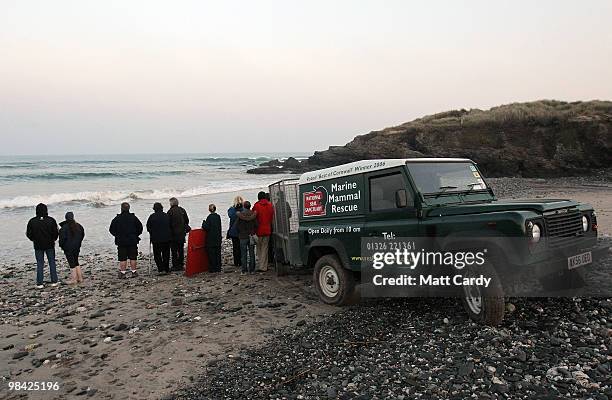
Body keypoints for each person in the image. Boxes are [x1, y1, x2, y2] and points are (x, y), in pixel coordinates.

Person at [26, 203, 59, 288]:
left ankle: (40, 283)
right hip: (50, 244)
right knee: (52, 262)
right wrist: (53, 239)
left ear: (36, 211)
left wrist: (33, 239)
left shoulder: (32, 221)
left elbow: (28, 234)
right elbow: (56, 232)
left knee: (40, 263)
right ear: (46, 210)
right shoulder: (51, 220)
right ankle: (54, 281)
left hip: (38, 245)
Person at [109, 202, 143, 279]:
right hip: (132, 240)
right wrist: (136, 235)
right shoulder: (134, 217)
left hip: (121, 241)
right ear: (129, 208)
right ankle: (134, 272)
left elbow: (111, 229)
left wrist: (117, 235)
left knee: (122, 257)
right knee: (133, 256)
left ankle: (123, 273)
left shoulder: (117, 218)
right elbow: (140, 228)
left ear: (121, 208)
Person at [58, 212, 85, 285]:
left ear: (66, 218)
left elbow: (61, 240)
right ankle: (80, 278)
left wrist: (62, 246)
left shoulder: (63, 228)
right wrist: (79, 243)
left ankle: (74, 279)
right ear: (73, 217)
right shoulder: (79, 226)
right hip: (77, 246)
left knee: (71, 263)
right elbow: (82, 235)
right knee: (76, 261)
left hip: (68, 248)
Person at [146, 202, 171, 275]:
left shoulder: (152, 216)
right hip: (166, 238)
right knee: (166, 254)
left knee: (157, 254)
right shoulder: (166, 215)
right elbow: (170, 225)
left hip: (156, 238)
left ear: (154, 209)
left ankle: (160, 268)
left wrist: (152, 233)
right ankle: (166, 268)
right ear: (162, 208)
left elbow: (148, 227)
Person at [252, 191, 274, 271]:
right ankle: (264, 266)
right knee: (265, 248)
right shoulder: (270, 205)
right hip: (267, 229)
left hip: (258, 230)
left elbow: (253, 217)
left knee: (259, 249)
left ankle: (261, 266)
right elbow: (271, 217)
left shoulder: (256, 206)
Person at [167, 197, 190, 271]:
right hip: (181, 233)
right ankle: (181, 264)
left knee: (174, 251)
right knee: (180, 250)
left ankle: (175, 265)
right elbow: (187, 220)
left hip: (173, 234)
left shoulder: (170, 212)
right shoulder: (182, 210)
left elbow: (168, 223)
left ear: (171, 203)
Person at [236, 200, 257, 274]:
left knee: (243, 254)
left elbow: (237, 226)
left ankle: (244, 270)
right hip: (251, 235)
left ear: (244, 206)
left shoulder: (240, 215)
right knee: (252, 253)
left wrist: (240, 231)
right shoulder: (253, 214)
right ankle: (252, 270)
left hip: (242, 236)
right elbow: (256, 225)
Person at [202, 204, 222, 273]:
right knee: (218, 253)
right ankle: (218, 267)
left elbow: (207, 227)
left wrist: (203, 223)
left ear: (209, 210)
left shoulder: (209, 217)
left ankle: (213, 268)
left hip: (211, 238)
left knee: (212, 254)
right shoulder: (218, 216)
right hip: (218, 237)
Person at [227, 196, 244, 268]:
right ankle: (241, 261)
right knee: (241, 247)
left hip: (234, 231)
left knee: (235, 247)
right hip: (242, 231)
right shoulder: (243, 210)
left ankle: (236, 262)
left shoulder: (232, 210)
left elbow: (230, 214)